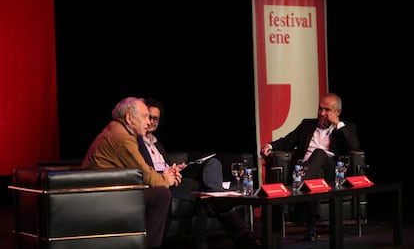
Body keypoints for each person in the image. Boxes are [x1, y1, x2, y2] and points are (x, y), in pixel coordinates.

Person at [138, 98, 262, 249]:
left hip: (173, 174)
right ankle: (240, 232)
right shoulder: (136, 141)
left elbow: (165, 164)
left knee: (212, 162)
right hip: (162, 181)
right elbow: (144, 170)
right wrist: (167, 172)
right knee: (202, 187)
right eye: (148, 117)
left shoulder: (156, 142)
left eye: (155, 118)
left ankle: (214, 194)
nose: (151, 121)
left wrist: (175, 168)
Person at [81, 97, 183, 249]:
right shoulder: (122, 137)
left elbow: (142, 171)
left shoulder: (117, 130)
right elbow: (146, 174)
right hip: (104, 196)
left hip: (108, 192)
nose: (149, 122)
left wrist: (164, 176)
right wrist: (166, 179)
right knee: (161, 194)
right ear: (129, 118)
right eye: (145, 117)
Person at [260, 92, 360, 241]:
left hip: (332, 172)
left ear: (337, 112)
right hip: (309, 171)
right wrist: (270, 145)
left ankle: (296, 188)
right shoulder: (307, 125)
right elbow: (287, 141)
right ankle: (311, 227)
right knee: (315, 177)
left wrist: (337, 124)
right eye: (320, 109)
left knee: (319, 153)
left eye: (327, 110)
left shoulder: (346, 128)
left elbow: (355, 147)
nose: (321, 113)